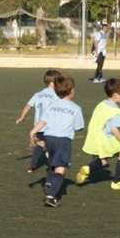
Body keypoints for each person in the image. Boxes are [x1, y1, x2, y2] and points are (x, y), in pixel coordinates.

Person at [29, 75, 85, 208]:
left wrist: (32, 132)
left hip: (49, 138)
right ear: (71, 90)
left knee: (52, 163)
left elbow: (43, 121)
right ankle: (51, 196)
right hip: (63, 140)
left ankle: (49, 183)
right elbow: (79, 126)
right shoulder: (75, 108)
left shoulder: (51, 105)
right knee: (61, 168)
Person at [75, 78, 120, 190]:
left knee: (104, 161)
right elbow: (114, 129)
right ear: (116, 95)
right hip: (105, 138)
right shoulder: (117, 112)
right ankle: (116, 182)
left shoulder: (101, 104)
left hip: (94, 136)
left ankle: (87, 170)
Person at [16, 70, 61, 173]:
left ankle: (31, 166)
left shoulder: (38, 94)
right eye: (59, 81)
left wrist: (22, 117)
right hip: (51, 126)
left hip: (38, 127)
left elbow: (28, 105)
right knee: (53, 146)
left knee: (40, 144)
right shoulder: (57, 95)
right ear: (52, 83)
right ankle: (53, 164)